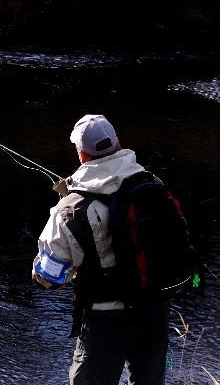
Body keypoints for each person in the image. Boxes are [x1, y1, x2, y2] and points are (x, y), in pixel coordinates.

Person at [32, 114, 170, 385]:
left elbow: (48, 278)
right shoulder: (152, 184)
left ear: (81, 155)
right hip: (155, 312)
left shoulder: (67, 212)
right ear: (118, 143)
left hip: (105, 322)